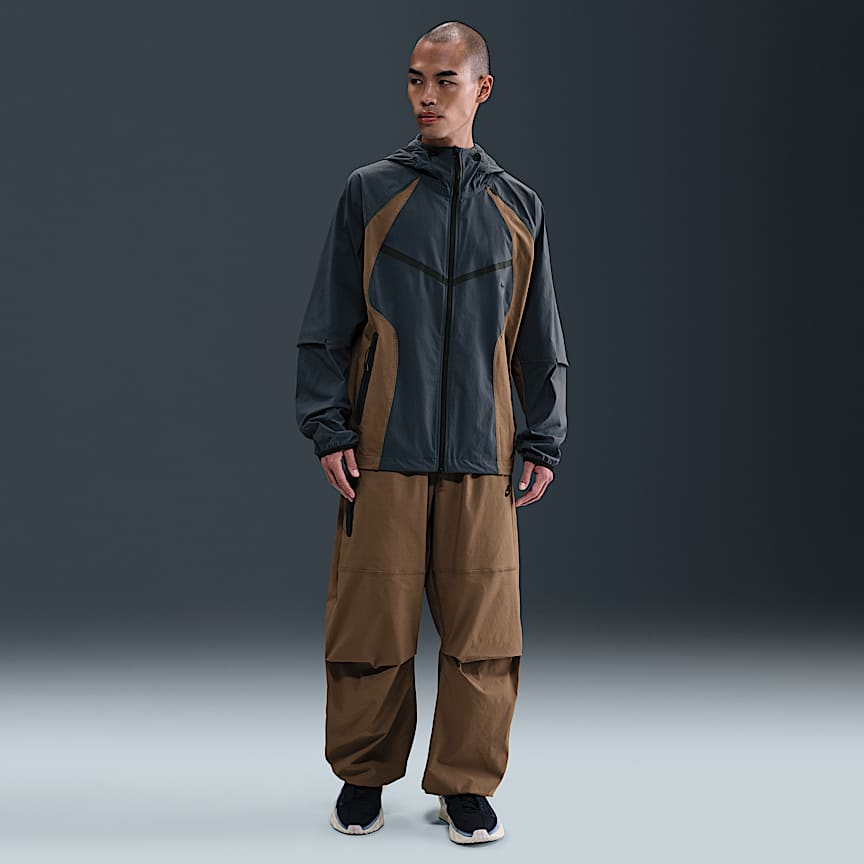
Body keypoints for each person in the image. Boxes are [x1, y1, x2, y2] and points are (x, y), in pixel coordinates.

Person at [295, 19, 568, 845]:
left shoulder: (519, 207)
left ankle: (465, 787)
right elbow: (328, 322)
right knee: (369, 626)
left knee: (486, 636)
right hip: (383, 452)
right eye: (415, 78)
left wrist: (541, 438)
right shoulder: (370, 193)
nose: (425, 95)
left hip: (484, 456)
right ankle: (363, 777)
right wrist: (328, 427)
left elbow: (539, 339)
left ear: (481, 89)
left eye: (444, 80)